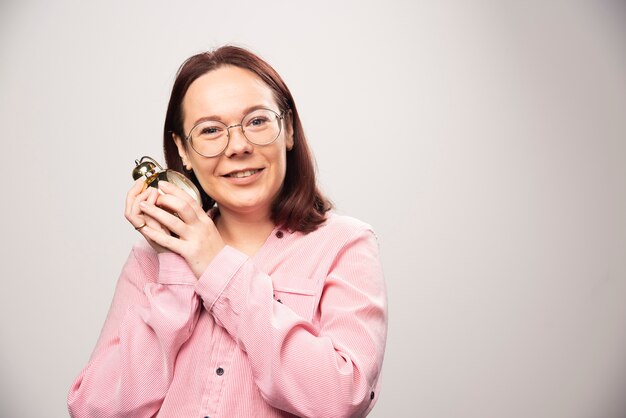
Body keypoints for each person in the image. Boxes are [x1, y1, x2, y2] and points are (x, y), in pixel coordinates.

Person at [67, 45, 387, 418]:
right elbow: (94, 409)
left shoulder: (344, 244)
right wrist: (177, 270)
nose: (237, 146)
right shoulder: (152, 256)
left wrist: (215, 263)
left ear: (288, 131)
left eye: (256, 121)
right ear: (182, 150)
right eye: (210, 130)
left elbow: (340, 399)